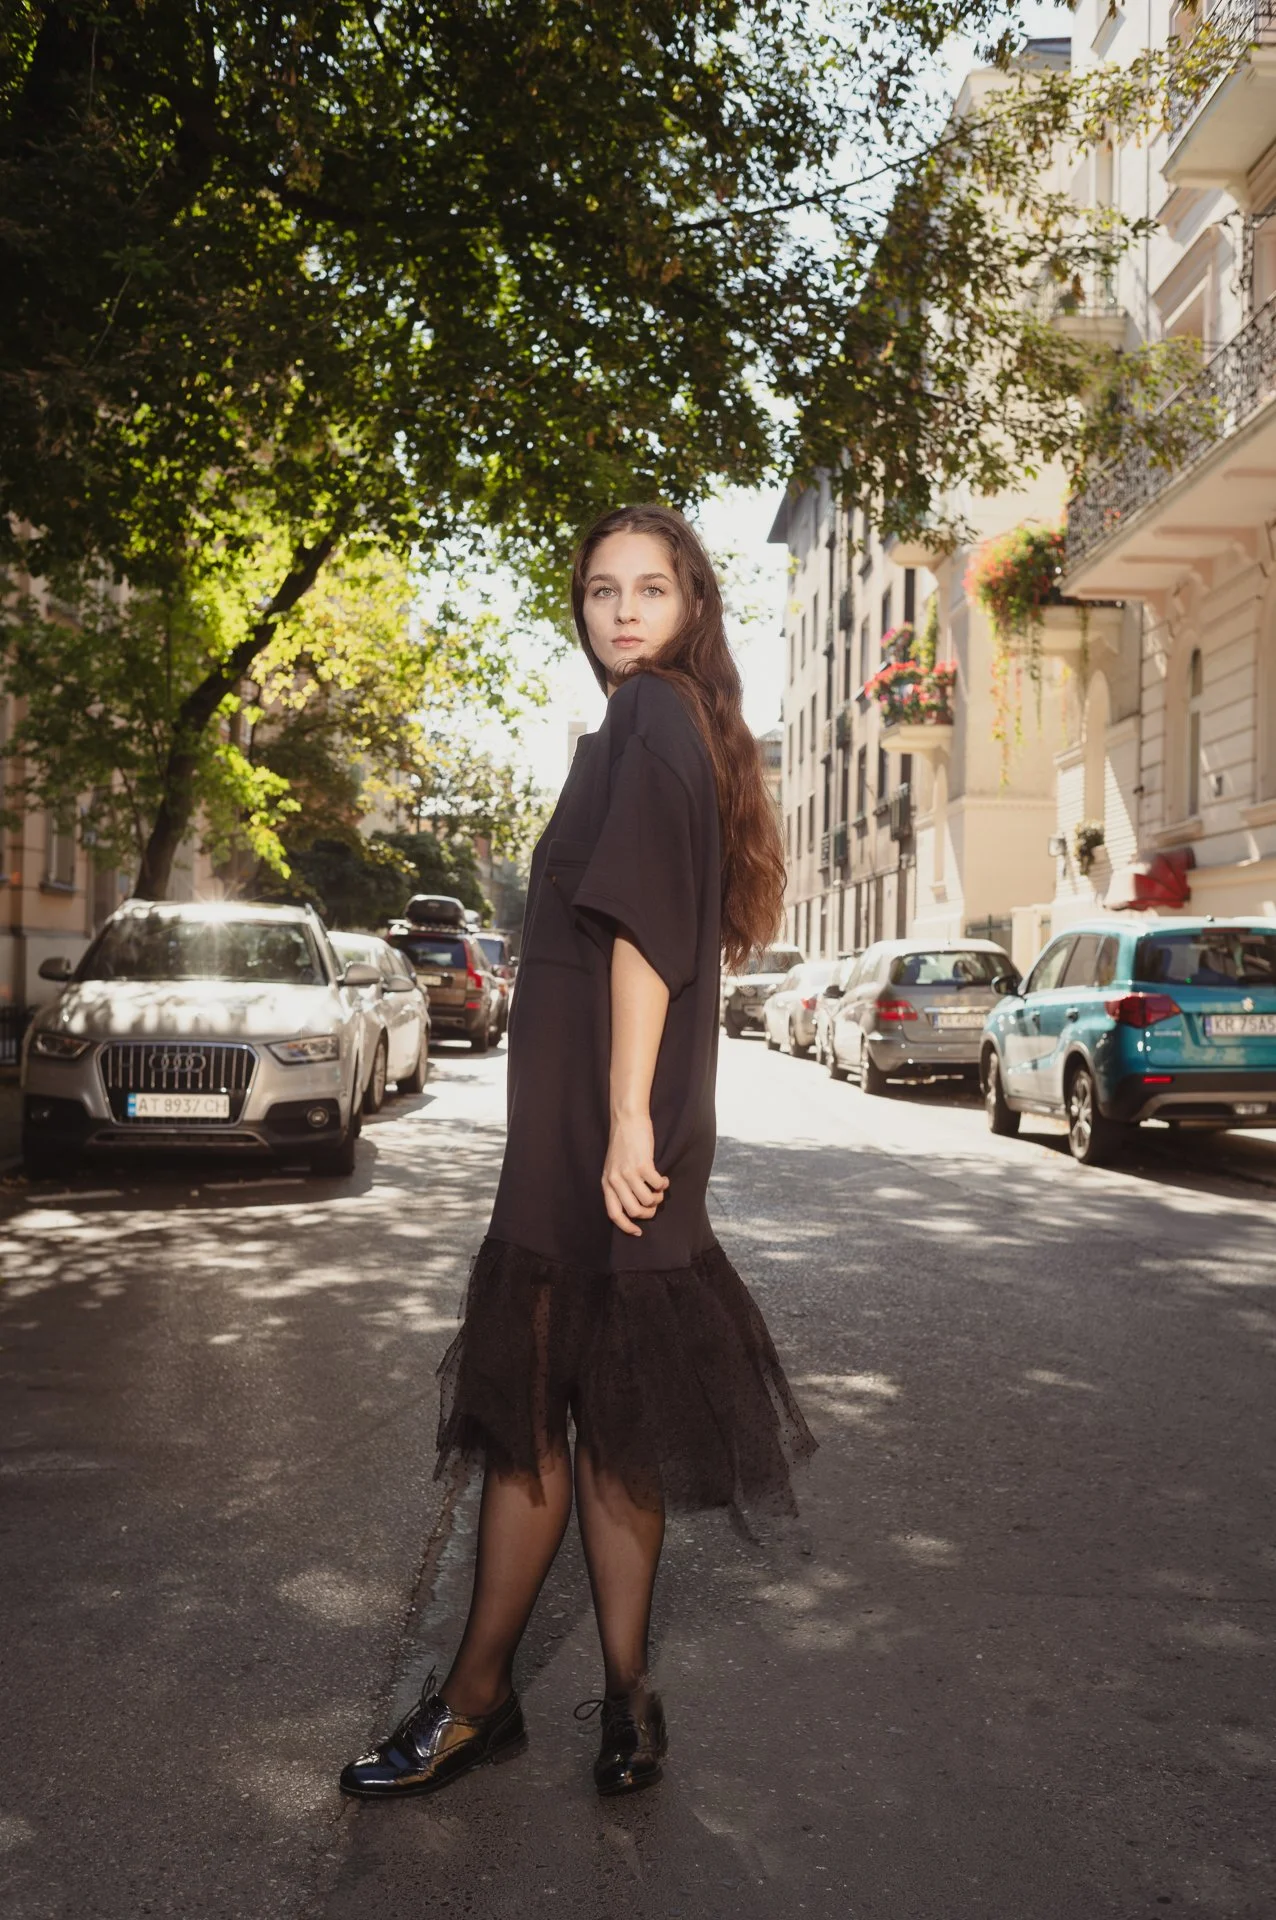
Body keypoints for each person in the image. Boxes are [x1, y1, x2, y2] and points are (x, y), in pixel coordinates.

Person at [339, 504, 816, 1804]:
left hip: (596, 1138)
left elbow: (641, 940)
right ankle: (628, 1703)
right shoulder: (668, 726)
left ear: (691, 607)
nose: (619, 609)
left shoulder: (651, 717)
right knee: (615, 1425)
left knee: (537, 1423)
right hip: (609, 1126)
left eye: (647, 588)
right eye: (600, 589)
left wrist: (619, 1122)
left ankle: (476, 1702)